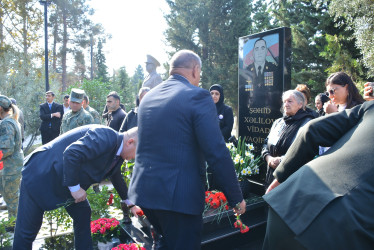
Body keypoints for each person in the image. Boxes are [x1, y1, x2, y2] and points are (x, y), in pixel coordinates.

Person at [128, 50, 246, 250]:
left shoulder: (149, 96)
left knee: (163, 243)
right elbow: (216, 151)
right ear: (195, 69)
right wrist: (236, 196)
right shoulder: (197, 96)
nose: (199, 79)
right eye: (199, 74)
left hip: (146, 192)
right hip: (178, 198)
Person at [263, 101, 374, 250]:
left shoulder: (370, 107)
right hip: (347, 229)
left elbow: (312, 129)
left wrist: (280, 178)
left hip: (293, 198)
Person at [13, 125, 141, 249]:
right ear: (130, 142)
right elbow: (72, 153)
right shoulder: (106, 136)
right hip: (42, 173)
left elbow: (115, 176)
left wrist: (130, 204)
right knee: (27, 231)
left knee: (83, 213)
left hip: (66, 180)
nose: (136, 158)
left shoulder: (118, 153)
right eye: (138, 153)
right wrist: (75, 188)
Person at [261, 90, 314, 190]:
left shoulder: (307, 123)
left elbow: (304, 151)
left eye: (290, 101)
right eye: (284, 101)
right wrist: (269, 158)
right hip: (271, 175)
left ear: (300, 104)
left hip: (291, 178)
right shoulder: (278, 122)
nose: (286, 104)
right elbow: (265, 143)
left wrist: (281, 160)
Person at [0, 95, 23, 230]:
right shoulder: (10, 121)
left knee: (12, 196)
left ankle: (15, 224)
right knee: (10, 195)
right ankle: (14, 222)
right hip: (11, 165)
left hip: (11, 166)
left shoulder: (7, 123)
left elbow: (6, 148)